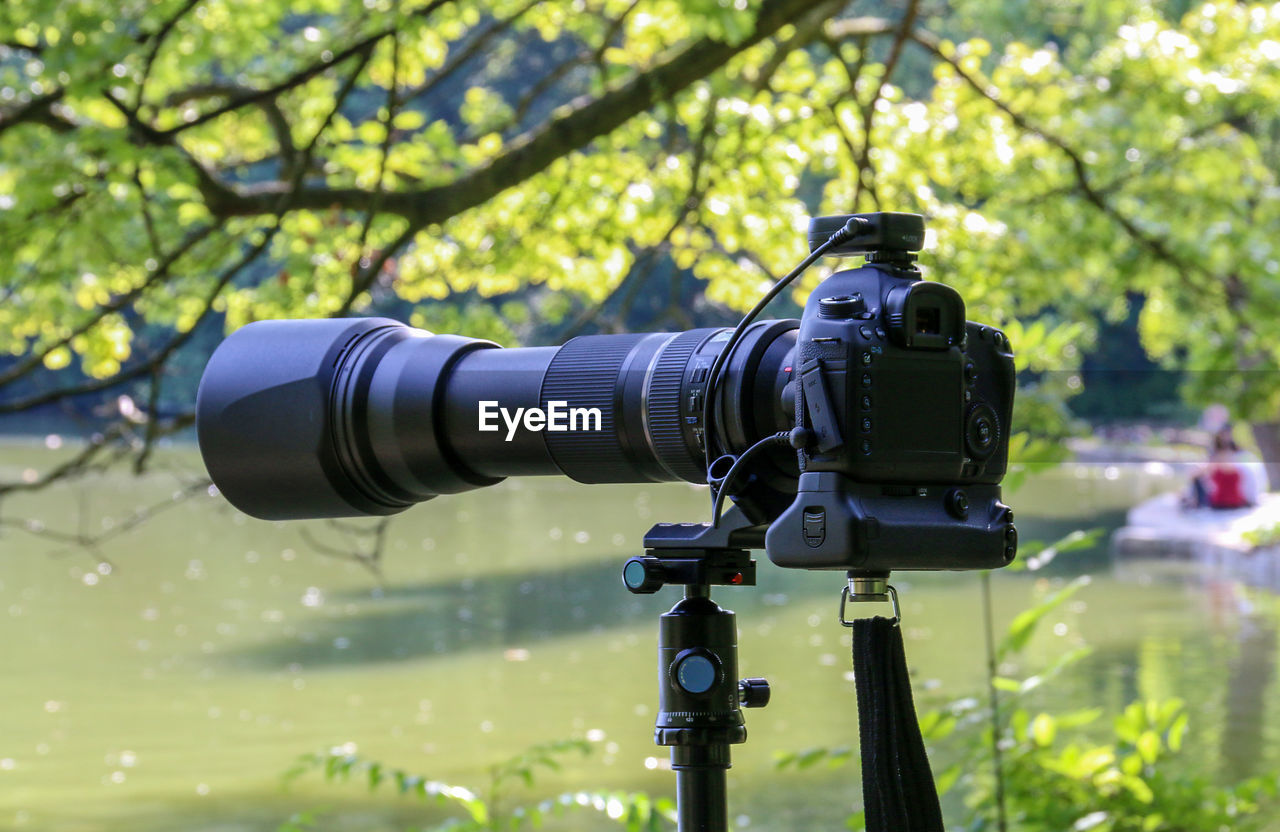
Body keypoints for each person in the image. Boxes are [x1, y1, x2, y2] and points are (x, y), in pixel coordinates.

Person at [1187, 428, 1269, 509]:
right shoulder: (1245, 457)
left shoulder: (1227, 461)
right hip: (1246, 498)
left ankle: (1195, 503)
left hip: (1228, 502)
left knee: (1199, 479)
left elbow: (1195, 473)